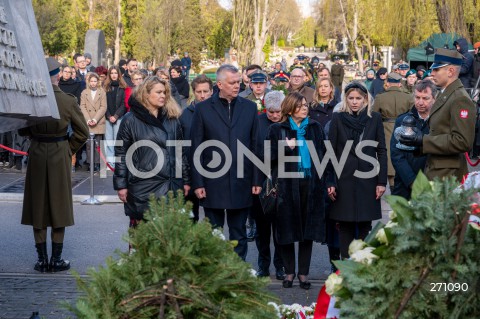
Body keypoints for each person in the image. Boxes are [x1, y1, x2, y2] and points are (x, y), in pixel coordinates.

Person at [20, 57, 89, 273]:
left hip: (38, 152)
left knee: (37, 204)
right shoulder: (68, 101)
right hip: (60, 152)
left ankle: (42, 260)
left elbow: (22, 130)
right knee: (59, 204)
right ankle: (56, 260)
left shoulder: (32, 99)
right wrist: (69, 148)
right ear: (58, 75)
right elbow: (83, 132)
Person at [190, 64, 262, 260]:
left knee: (239, 233)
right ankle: (215, 274)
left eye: (239, 82)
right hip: (212, 181)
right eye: (232, 83)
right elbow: (196, 147)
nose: (237, 86)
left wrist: (256, 180)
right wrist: (198, 183)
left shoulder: (249, 108)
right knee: (214, 233)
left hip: (242, 180)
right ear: (219, 84)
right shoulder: (203, 109)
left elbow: (255, 145)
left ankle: (238, 275)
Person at [267, 92, 330, 289]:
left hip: (310, 184)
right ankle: (289, 272)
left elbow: (325, 156)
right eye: (301, 105)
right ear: (291, 107)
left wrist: (327, 182)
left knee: (306, 231)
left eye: (306, 105)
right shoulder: (278, 129)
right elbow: (267, 157)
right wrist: (285, 147)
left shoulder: (315, 127)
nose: (305, 108)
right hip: (286, 187)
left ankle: (303, 273)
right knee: (285, 229)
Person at [114, 76, 190, 228]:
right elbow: (121, 153)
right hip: (143, 185)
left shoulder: (172, 118)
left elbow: (180, 151)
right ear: (146, 94)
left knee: (168, 237)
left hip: (171, 185)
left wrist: (186, 180)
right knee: (142, 234)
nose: (163, 95)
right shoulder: (130, 119)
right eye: (159, 92)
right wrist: (121, 185)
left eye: (165, 92)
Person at [328, 81, 387, 259]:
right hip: (343, 178)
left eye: (358, 98)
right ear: (346, 99)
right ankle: (345, 268)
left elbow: (381, 150)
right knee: (344, 226)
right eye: (351, 98)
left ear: (365, 99)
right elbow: (330, 152)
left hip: (367, 179)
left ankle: (362, 266)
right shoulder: (337, 118)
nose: (354, 101)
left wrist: (381, 181)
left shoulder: (374, 118)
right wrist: (330, 181)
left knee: (364, 225)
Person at [399, 48, 476, 182]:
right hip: (439, 170)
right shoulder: (446, 94)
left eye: (436, 69)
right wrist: (418, 143)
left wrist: (423, 140)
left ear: (451, 71)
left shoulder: (459, 99)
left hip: (448, 176)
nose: (432, 73)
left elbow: (463, 141)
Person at [252, 90, 285, 280]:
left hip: (282, 180)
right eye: (271, 111)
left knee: (280, 229)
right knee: (262, 229)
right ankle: (263, 265)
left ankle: (280, 265)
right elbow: (254, 153)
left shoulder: (286, 125)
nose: (274, 115)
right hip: (261, 180)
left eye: (277, 111)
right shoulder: (257, 123)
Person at [391, 80, 436, 199]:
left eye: (425, 98)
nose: (420, 102)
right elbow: (396, 155)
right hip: (405, 183)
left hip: (431, 182)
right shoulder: (403, 120)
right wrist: (412, 181)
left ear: (434, 99)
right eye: (417, 97)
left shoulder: (439, 122)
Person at [179, 75, 214, 222]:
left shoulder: (217, 113)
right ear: (194, 92)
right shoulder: (184, 115)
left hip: (213, 171)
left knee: (212, 220)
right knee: (190, 218)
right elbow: (180, 145)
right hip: (191, 171)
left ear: (212, 91)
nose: (202, 95)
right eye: (199, 92)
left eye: (206, 91)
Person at [373, 72, 413, 188]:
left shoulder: (380, 97)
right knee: (404, 156)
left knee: (389, 158)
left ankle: (392, 184)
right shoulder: (408, 96)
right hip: (405, 129)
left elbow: (374, 116)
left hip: (386, 129)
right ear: (400, 83)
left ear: (388, 83)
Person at [80, 72, 107, 172]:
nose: (93, 83)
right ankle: (90, 163)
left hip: (98, 121)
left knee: (98, 144)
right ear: (88, 81)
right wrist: (88, 119)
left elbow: (103, 107)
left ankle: (97, 163)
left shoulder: (102, 92)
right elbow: (82, 106)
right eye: (91, 81)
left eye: (95, 81)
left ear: (98, 82)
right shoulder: (84, 92)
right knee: (88, 145)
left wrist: (95, 119)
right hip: (88, 121)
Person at [103, 66, 127, 166]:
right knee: (109, 141)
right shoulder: (105, 87)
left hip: (119, 117)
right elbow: (103, 103)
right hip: (108, 117)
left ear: (119, 75)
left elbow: (123, 104)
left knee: (117, 140)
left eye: (115, 73)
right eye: (112, 73)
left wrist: (116, 116)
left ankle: (118, 162)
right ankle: (110, 163)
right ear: (109, 75)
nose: (114, 75)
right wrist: (109, 116)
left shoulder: (123, 87)